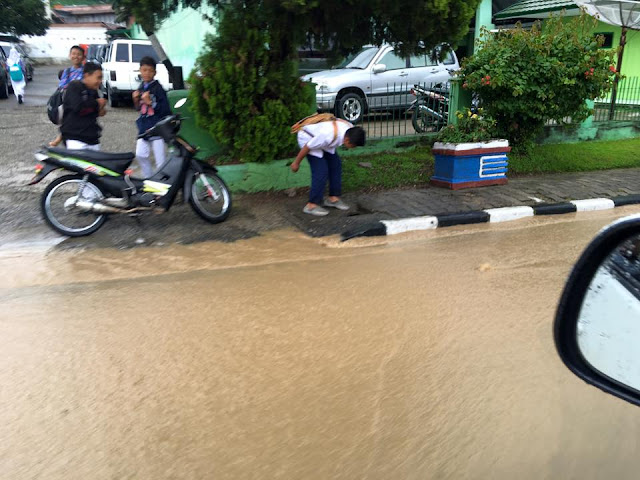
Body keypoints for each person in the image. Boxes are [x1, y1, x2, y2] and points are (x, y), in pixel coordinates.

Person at [290, 121, 366, 216]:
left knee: (335, 164)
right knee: (321, 171)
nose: (353, 148)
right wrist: (296, 163)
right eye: (353, 146)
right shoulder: (327, 136)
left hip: (323, 141)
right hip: (307, 137)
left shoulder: (349, 128)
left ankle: (333, 199)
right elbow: (307, 146)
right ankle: (311, 205)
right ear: (347, 140)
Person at [132, 56, 170, 178]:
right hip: (144, 126)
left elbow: (165, 110)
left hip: (157, 126)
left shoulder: (158, 89)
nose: (147, 73)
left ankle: (163, 184)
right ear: (140, 70)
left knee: (160, 160)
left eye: (150, 70)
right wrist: (135, 100)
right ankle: (148, 179)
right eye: (144, 70)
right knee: (140, 154)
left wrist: (151, 103)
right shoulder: (141, 87)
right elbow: (138, 109)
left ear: (155, 72)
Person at [60, 62, 106, 151]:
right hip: (75, 138)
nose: (100, 81)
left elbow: (98, 112)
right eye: (98, 78)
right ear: (87, 75)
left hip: (92, 138)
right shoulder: (74, 87)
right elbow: (77, 106)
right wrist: (97, 103)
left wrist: (101, 107)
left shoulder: (94, 91)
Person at [49, 45, 86, 147]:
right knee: (69, 122)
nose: (76, 56)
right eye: (74, 54)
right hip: (68, 102)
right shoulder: (67, 71)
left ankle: (60, 138)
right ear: (70, 55)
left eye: (79, 54)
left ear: (83, 57)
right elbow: (62, 86)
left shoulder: (86, 71)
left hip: (82, 103)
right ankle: (62, 139)